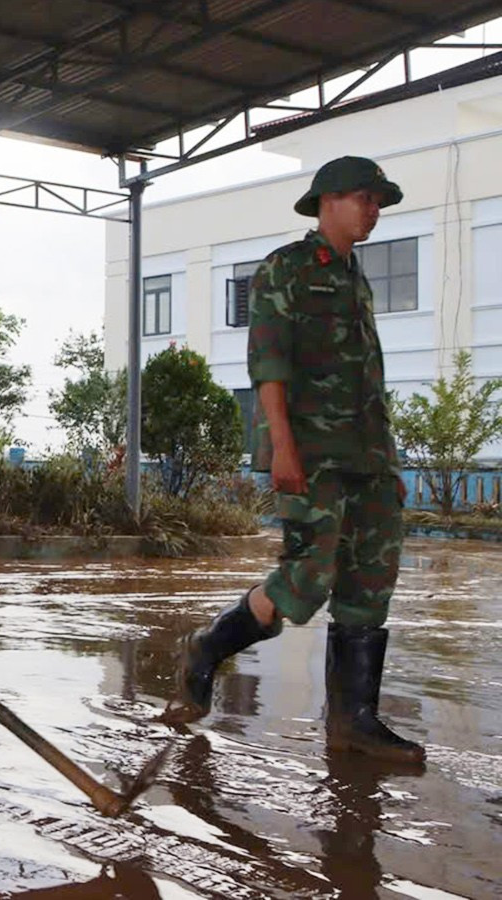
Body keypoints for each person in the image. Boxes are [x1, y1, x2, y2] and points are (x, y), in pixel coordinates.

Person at [161, 156, 424, 763]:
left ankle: (354, 721)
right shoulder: (286, 270)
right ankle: (207, 646)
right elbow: (269, 364)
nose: (375, 210)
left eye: (380, 200)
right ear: (330, 199)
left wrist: (389, 464)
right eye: (367, 198)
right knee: (308, 576)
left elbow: (370, 382)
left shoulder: (356, 277)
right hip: (311, 453)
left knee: (371, 582)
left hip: (367, 460)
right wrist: (280, 443)